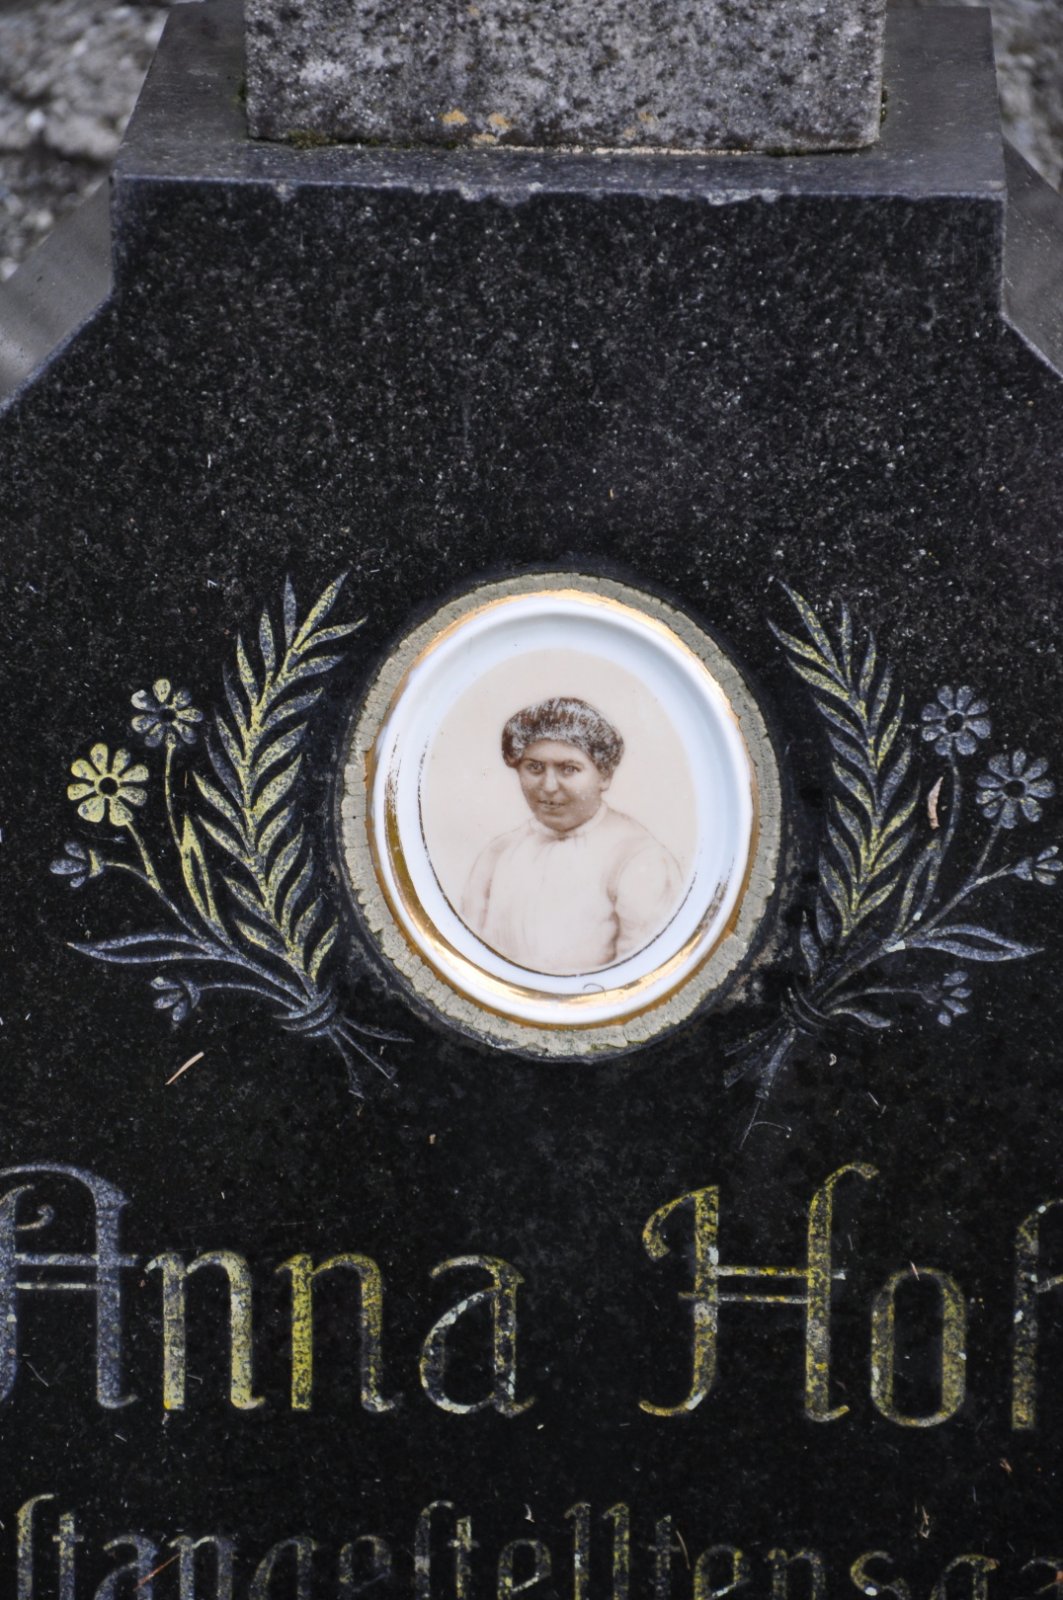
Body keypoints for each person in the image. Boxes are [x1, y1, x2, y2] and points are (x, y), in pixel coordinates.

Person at [461, 697, 683, 976]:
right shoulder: (498, 854)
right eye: (534, 767)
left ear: (604, 775)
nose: (549, 786)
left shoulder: (639, 858)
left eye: (569, 769)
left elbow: (644, 976)